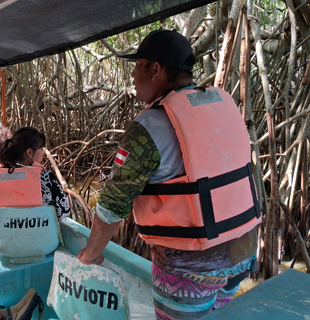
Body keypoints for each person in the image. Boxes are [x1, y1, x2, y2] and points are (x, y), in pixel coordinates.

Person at [77, 30, 261, 320]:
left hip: (191, 266)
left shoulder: (149, 126)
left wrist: (90, 254)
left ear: (155, 69)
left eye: (137, 66)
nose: (133, 77)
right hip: (243, 252)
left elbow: (113, 205)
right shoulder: (223, 104)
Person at [0, 126, 71, 244]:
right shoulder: (47, 179)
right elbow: (64, 215)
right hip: (44, 243)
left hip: (3, 244)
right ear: (29, 152)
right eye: (41, 149)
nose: (43, 154)